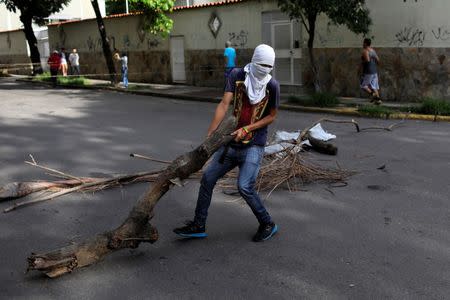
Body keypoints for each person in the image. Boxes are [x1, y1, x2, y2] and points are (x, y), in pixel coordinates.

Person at [174, 44, 280, 242]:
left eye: (268, 66)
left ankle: (268, 223)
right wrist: (212, 133)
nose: (264, 69)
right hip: (231, 142)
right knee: (207, 179)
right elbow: (224, 104)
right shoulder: (237, 75)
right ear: (254, 61)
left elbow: (272, 116)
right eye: (261, 64)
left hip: (254, 145)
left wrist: (248, 128)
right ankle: (198, 224)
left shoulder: (272, 85)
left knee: (244, 186)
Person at [360, 38, 381, 104]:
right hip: (374, 70)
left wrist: (362, 63)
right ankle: (378, 100)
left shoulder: (365, 51)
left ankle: (373, 94)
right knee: (374, 86)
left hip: (368, 71)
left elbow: (367, 60)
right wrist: (375, 65)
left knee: (363, 86)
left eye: (363, 42)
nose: (362, 44)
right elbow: (378, 60)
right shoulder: (373, 51)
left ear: (365, 43)